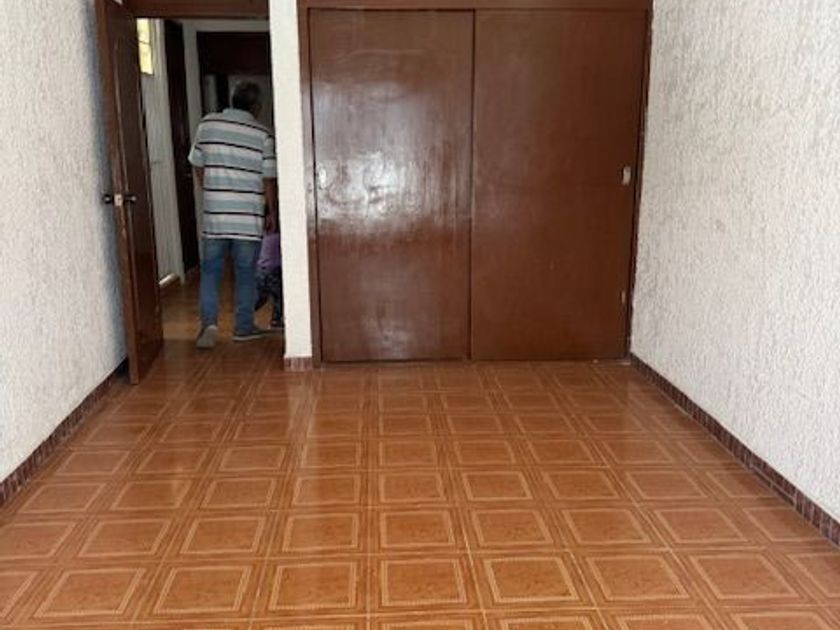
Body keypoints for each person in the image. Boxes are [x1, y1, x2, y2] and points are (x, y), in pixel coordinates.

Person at [188, 81, 278, 349]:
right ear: (256, 106)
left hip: (215, 215)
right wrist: (272, 212)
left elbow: (197, 164)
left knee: (210, 272)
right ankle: (243, 327)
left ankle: (209, 325)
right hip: (248, 218)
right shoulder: (263, 134)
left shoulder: (207, 125)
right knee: (246, 273)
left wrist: (210, 189)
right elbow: (268, 179)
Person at [255, 230, 284, 329]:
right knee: (279, 296)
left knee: (261, 297)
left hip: (260, 269)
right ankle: (276, 320)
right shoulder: (280, 238)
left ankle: (245, 315)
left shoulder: (263, 236)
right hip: (274, 270)